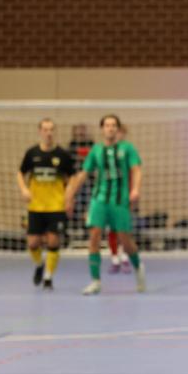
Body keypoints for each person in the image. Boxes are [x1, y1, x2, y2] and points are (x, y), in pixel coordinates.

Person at [65, 114, 145, 295]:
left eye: (113, 125)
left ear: (117, 129)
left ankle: (138, 268)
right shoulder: (96, 150)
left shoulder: (127, 148)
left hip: (119, 200)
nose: (110, 128)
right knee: (94, 237)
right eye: (107, 125)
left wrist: (135, 189)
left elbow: (136, 169)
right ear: (102, 129)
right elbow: (83, 175)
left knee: (125, 240)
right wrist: (69, 197)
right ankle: (95, 281)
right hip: (99, 200)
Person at [17, 118, 76, 290]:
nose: (48, 133)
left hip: (56, 206)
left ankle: (49, 277)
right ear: (39, 131)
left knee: (52, 241)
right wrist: (24, 190)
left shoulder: (62, 155)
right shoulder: (32, 153)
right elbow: (20, 173)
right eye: (45, 129)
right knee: (33, 243)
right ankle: (39, 265)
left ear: (54, 132)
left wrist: (68, 196)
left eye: (51, 129)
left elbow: (72, 177)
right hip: (36, 206)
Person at [106, 124, 132, 273]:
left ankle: (125, 255)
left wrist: (133, 192)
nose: (118, 135)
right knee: (112, 229)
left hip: (124, 196)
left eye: (121, 133)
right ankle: (115, 258)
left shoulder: (128, 151)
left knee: (124, 228)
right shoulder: (105, 151)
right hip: (109, 196)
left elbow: (134, 172)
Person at [67, 124, 95, 236]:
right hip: (76, 181)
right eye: (78, 131)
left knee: (89, 205)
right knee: (77, 205)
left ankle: (87, 231)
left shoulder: (91, 144)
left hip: (90, 181)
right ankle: (76, 229)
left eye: (83, 130)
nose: (81, 133)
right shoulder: (71, 145)